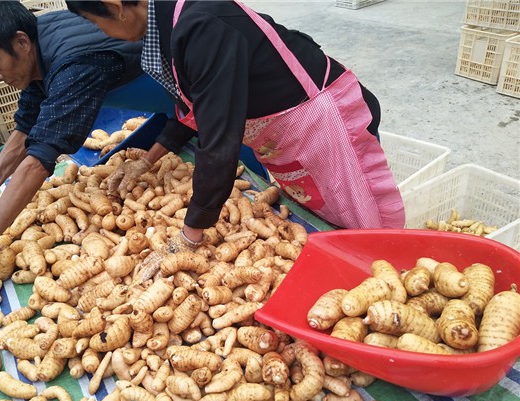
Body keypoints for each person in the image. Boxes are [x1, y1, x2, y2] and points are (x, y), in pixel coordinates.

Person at [66, 0, 406, 279]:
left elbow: (218, 141)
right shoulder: (171, 25)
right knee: (323, 218)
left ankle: (397, 276)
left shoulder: (199, 27)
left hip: (321, 121)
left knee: (372, 235)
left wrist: (188, 238)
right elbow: (198, 107)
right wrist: (146, 159)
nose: (102, 33)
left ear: (115, 6)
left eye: (97, 24)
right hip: (289, 133)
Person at [0, 0, 193, 298]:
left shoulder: (75, 64)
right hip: (174, 101)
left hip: (188, 89)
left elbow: (41, 157)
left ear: (21, 42)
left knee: (226, 137)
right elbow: (26, 125)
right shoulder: (36, 43)